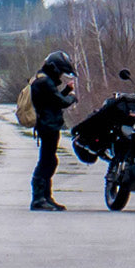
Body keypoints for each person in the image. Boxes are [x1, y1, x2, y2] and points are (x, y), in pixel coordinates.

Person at [30, 50, 77, 211]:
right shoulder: (44, 82)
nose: (62, 74)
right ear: (55, 68)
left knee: (50, 160)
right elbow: (60, 102)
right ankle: (38, 198)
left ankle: (46, 196)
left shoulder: (44, 80)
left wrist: (66, 91)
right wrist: (72, 96)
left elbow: (52, 100)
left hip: (49, 125)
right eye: (62, 71)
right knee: (46, 161)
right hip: (48, 126)